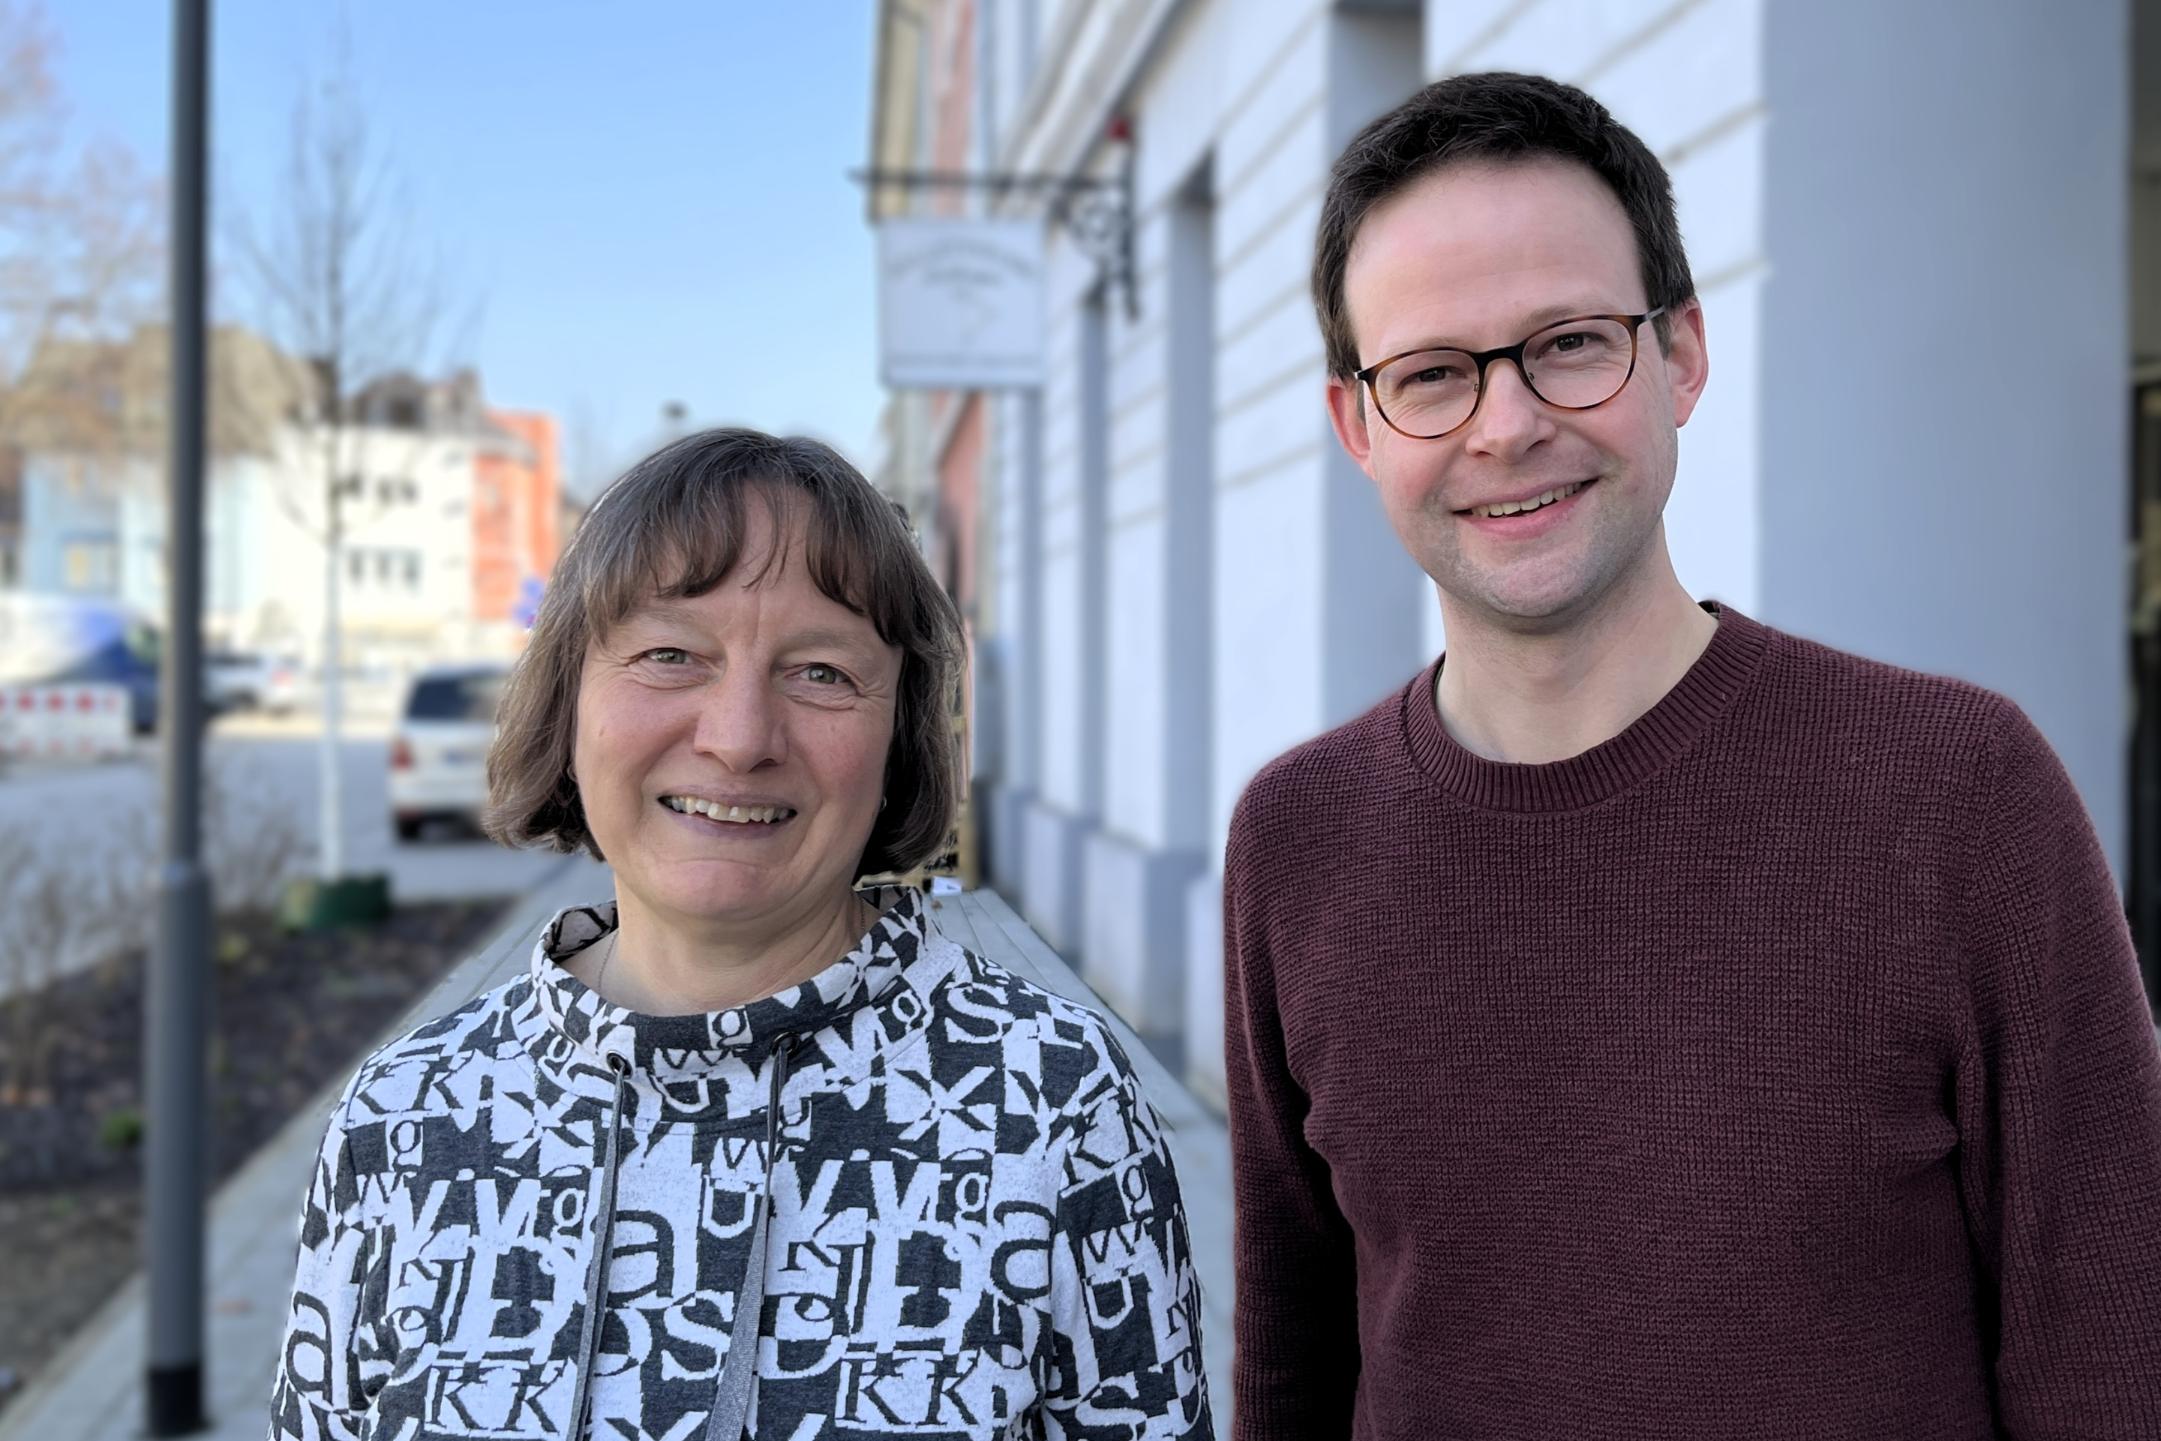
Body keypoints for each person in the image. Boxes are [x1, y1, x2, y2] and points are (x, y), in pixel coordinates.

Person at [1223, 71, 2161, 1437]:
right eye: (1431, 373)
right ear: (1358, 425)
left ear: (1681, 355)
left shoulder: (1959, 793)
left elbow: (2111, 1354)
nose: (1505, 424)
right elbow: (1291, 1365)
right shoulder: (1297, 837)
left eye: (1567, 342)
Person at [270, 429, 1213, 1440]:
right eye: (671, 654)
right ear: (568, 698)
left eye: (819, 672)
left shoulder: (1054, 1102)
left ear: (898, 736)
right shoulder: (404, 1115)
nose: (738, 736)